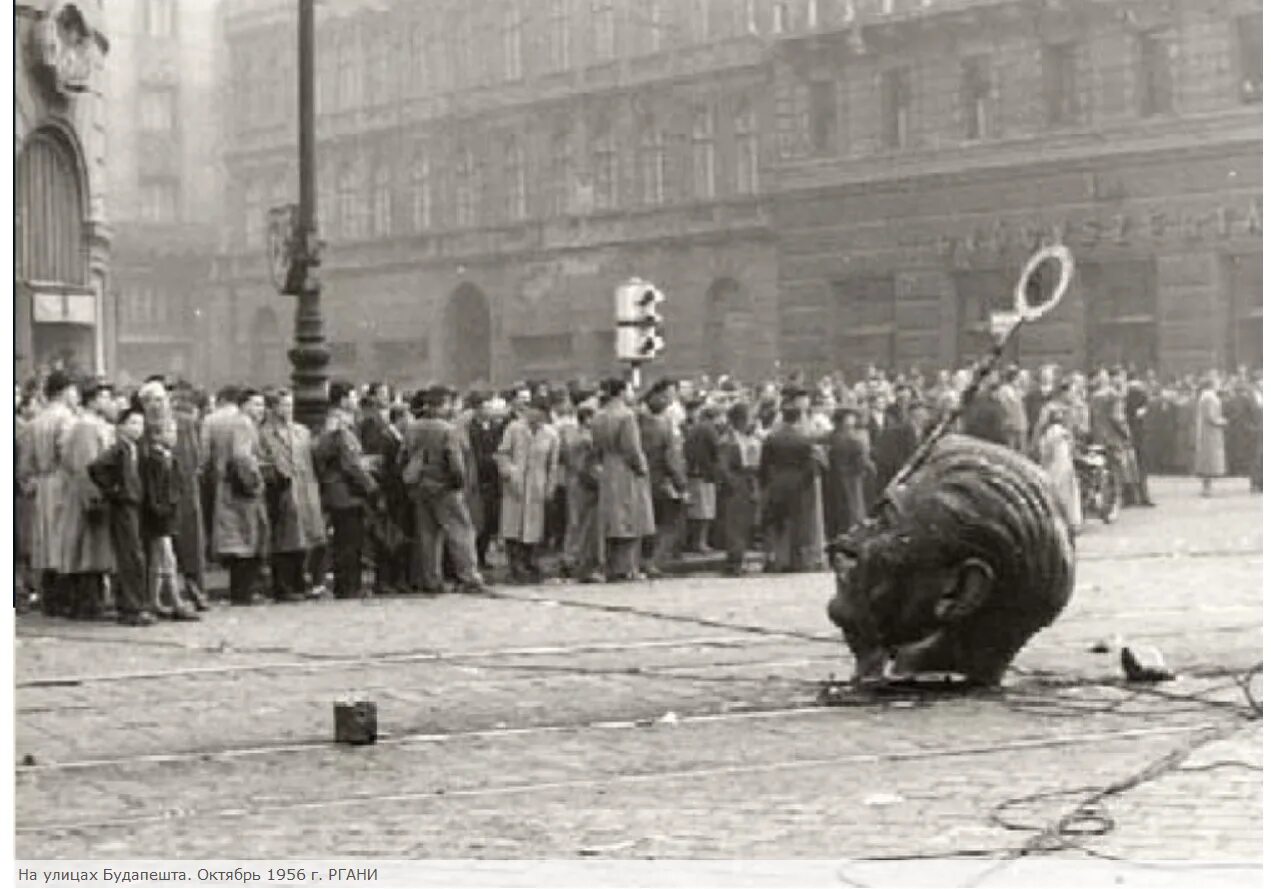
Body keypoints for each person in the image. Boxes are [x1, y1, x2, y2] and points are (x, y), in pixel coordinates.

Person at [402, 387, 487, 593]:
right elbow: (455, 462)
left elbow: (402, 457)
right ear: (441, 405)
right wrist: (459, 483)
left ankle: (431, 579)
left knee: (428, 535)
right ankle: (469, 577)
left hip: (420, 487)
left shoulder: (412, 428)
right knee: (461, 531)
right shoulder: (447, 430)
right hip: (445, 488)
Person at [88, 406, 153, 626]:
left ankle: (135, 604)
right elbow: (96, 467)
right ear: (121, 426)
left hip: (134, 505)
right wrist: (113, 490)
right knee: (129, 555)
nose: (138, 428)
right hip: (124, 506)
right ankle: (131, 607)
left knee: (135, 555)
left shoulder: (135, 449)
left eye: (141, 424)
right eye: (133, 423)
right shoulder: (119, 449)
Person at [260, 389, 327, 603]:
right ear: (273, 408)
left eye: (290, 405)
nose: (288, 410)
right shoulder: (264, 433)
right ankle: (283, 585)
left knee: (305, 540)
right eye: (284, 405)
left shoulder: (302, 432)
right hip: (283, 491)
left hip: (305, 488)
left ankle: (301, 582)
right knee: (284, 540)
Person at [21, 371, 80, 616]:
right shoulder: (67, 419)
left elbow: (24, 463)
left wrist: (31, 484)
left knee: (44, 539)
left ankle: (49, 597)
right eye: (73, 390)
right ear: (65, 391)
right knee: (64, 537)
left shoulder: (35, 421)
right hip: (62, 482)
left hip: (41, 484)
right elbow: (70, 455)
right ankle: (64, 597)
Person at [58, 381, 117, 620]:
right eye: (105, 397)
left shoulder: (93, 425)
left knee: (93, 548)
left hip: (91, 491)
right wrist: (94, 497)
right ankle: (86, 602)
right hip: (89, 494)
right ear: (93, 400)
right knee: (88, 549)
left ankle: (92, 600)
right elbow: (87, 465)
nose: (110, 402)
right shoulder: (86, 427)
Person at [314, 381, 379, 598]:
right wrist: (371, 486)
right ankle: (349, 586)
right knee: (350, 540)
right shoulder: (341, 427)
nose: (356, 401)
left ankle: (348, 585)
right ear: (343, 400)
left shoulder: (333, 424)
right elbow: (351, 463)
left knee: (346, 539)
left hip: (338, 489)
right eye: (352, 396)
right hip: (346, 491)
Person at [208, 388, 272, 606]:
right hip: (241, 491)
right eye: (255, 404)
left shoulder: (231, 422)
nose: (260, 410)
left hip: (229, 487)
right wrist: (255, 481)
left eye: (262, 405)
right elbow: (241, 456)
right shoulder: (243, 424)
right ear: (244, 405)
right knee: (246, 539)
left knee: (237, 540)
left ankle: (241, 591)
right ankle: (243, 592)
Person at [591, 378, 655, 581]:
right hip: (625, 470)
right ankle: (628, 566)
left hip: (608, 467)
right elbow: (632, 448)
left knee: (611, 519)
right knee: (631, 517)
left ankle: (609, 564)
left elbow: (596, 446)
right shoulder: (627, 416)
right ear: (621, 392)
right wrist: (642, 468)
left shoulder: (599, 416)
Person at [495, 396, 561, 583]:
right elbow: (502, 453)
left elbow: (553, 464)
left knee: (534, 524)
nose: (537, 417)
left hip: (537, 483)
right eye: (534, 411)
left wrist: (550, 486)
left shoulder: (551, 434)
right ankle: (515, 563)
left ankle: (530, 560)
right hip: (516, 482)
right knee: (513, 523)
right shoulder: (514, 428)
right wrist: (509, 472)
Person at [140, 415, 200, 620]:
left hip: (165, 514)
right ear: (158, 435)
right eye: (170, 432)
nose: (175, 436)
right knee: (167, 558)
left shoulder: (166, 458)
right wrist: (160, 508)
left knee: (160, 558)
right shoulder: (154, 460)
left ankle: (155, 599)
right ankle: (175, 600)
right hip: (160, 515)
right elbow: (154, 490)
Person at [759, 403, 819, 573]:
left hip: (776, 482)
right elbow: (809, 467)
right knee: (797, 523)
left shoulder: (771, 438)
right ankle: (795, 561)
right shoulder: (803, 440)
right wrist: (805, 484)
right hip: (797, 484)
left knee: (776, 523)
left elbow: (764, 465)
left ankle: (776, 560)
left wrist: (765, 483)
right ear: (798, 418)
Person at [638, 380, 688, 577]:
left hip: (645, 478)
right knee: (664, 520)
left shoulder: (638, 417)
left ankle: (645, 560)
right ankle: (651, 561)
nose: (668, 402)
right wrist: (680, 483)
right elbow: (671, 456)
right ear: (655, 395)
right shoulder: (660, 423)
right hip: (657, 479)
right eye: (666, 397)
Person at [560, 403, 605, 583]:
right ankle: (574, 560)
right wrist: (597, 480)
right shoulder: (586, 440)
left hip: (575, 483)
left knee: (576, 523)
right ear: (587, 419)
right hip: (583, 485)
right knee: (582, 524)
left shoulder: (575, 437)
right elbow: (584, 466)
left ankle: (571, 558)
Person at [716, 401, 761, 575]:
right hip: (736, 485)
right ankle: (734, 562)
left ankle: (739, 559)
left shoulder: (745, 438)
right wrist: (732, 483)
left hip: (746, 482)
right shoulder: (728, 440)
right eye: (748, 418)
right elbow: (723, 466)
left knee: (743, 524)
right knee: (734, 525)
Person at [825, 406, 873, 540]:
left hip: (833, 480)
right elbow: (863, 464)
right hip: (851, 480)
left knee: (837, 513)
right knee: (853, 511)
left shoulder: (830, 437)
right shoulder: (854, 440)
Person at [1035, 402, 1082, 536]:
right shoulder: (1062, 433)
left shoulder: (1048, 434)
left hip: (1053, 468)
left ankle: (1062, 523)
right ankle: (1072, 522)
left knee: (1056, 496)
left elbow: (1045, 455)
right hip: (1064, 467)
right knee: (1068, 495)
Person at [683, 403, 721, 554]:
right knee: (705, 511)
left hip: (693, 472)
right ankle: (701, 542)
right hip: (705, 473)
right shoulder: (709, 429)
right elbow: (716, 450)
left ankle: (694, 541)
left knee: (695, 510)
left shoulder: (694, 429)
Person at [1194, 373, 1228, 498]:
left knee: (1208, 460)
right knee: (1208, 460)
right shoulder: (1209, 397)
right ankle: (1206, 488)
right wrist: (1222, 421)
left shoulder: (1206, 397)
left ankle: (1207, 487)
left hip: (1208, 433)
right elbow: (1211, 417)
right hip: (1210, 434)